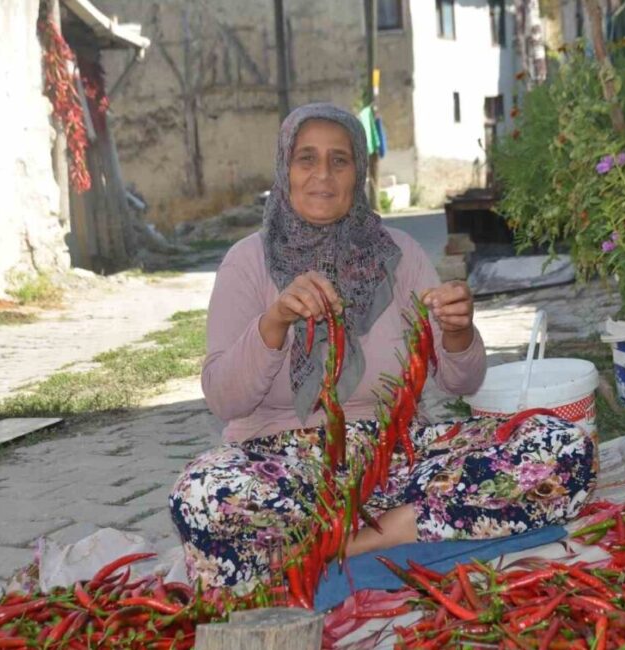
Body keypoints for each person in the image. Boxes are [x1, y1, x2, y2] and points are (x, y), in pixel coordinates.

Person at [169, 103, 596, 588]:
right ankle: (414, 526)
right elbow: (225, 400)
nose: (322, 175)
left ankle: (361, 539)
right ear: (284, 168)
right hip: (286, 466)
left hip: (399, 459)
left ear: (359, 173)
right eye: (306, 158)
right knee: (201, 492)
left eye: (340, 160)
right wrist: (274, 323)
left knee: (563, 446)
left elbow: (463, 382)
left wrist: (457, 331)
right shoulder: (247, 261)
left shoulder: (399, 253)